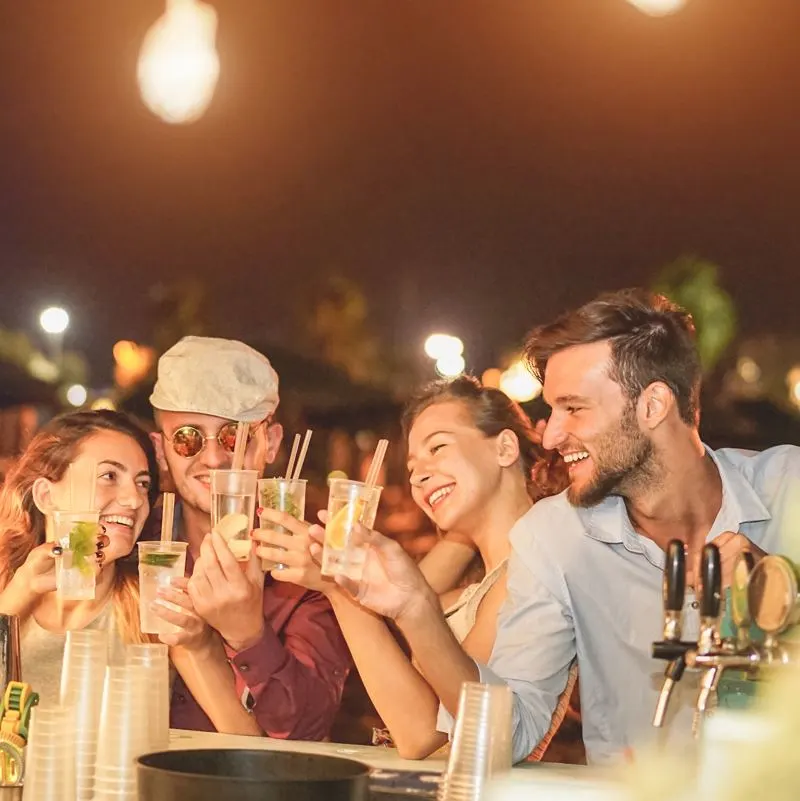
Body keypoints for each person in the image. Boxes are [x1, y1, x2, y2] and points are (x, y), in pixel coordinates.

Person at [263, 289, 800, 765]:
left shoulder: (789, 488)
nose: (549, 436)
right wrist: (415, 609)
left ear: (653, 405)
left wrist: (782, 599)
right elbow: (508, 735)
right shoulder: (557, 536)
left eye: (574, 409)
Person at [253, 376, 576, 759]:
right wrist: (336, 571)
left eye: (437, 447)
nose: (418, 475)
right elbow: (397, 611)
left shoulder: (528, 576)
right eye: (411, 467)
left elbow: (422, 733)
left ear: (505, 447)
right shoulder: (483, 578)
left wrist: (337, 589)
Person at [148, 335, 351, 739]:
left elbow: (306, 732)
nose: (213, 458)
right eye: (187, 438)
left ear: (270, 443)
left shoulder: (309, 564)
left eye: (233, 436)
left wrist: (248, 636)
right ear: (160, 450)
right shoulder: (138, 548)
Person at [0, 410, 159, 703]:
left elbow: (242, 739)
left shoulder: (154, 606)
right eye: (109, 476)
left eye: (143, 483)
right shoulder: (7, 585)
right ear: (46, 496)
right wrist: (22, 589)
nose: (135, 500)